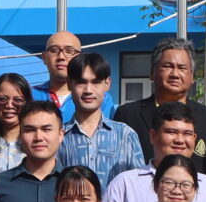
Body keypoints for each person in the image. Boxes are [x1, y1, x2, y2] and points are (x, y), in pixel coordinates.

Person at [102, 108, 206, 202]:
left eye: (187, 134)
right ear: (153, 136)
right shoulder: (124, 184)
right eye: (171, 132)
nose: (180, 140)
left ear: (194, 138)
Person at [113, 39, 206, 163]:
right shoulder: (128, 115)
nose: (175, 74)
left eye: (182, 68)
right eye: (167, 66)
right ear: (152, 73)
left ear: (192, 76)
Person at [58, 51, 147, 187]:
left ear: (107, 83)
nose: (88, 90)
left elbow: (139, 186)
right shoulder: (58, 137)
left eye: (96, 82)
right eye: (81, 82)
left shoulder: (125, 135)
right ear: (69, 84)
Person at [0, 101, 68, 202]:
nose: (38, 137)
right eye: (30, 130)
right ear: (20, 135)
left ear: (60, 134)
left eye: (46, 129)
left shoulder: (74, 184)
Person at [0, 72, 33, 170]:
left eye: (18, 100)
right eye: (2, 99)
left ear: (27, 103)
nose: (9, 105)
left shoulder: (37, 142)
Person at [36, 30, 89, 113]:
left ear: (80, 58)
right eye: (54, 50)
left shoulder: (97, 98)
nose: (61, 57)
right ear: (44, 57)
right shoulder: (28, 96)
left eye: (69, 51)